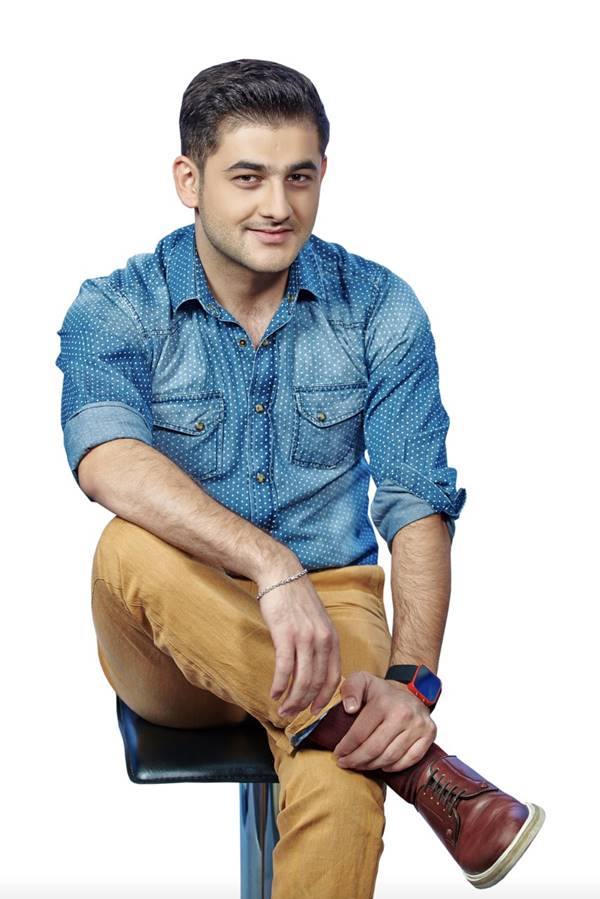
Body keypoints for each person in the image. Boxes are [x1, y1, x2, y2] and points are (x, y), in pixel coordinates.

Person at [55, 58, 544, 898]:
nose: (278, 205)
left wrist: (410, 684)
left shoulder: (379, 306)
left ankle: (372, 740)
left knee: (342, 789)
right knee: (124, 545)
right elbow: (106, 460)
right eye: (248, 177)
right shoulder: (118, 305)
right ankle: (418, 768)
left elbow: (417, 502)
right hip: (168, 629)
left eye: (300, 177)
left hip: (334, 605)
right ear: (189, 180)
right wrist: (269, 565)